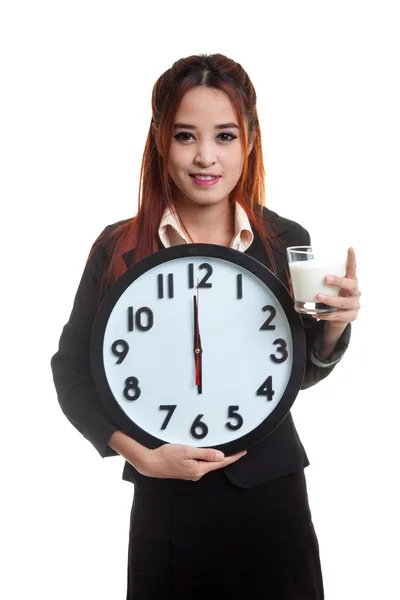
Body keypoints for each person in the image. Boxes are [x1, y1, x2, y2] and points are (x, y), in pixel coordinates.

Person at [51, 53, 361, 599]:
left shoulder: (283, 241)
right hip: (165, 498)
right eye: (185, 135)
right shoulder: (119, 247)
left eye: (224, 136)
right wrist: (139, 454)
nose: (205, 157)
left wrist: (332, 327)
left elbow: (294, 372)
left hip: (271, 492)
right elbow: (72, 371)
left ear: (248, 143)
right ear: (160, 143)